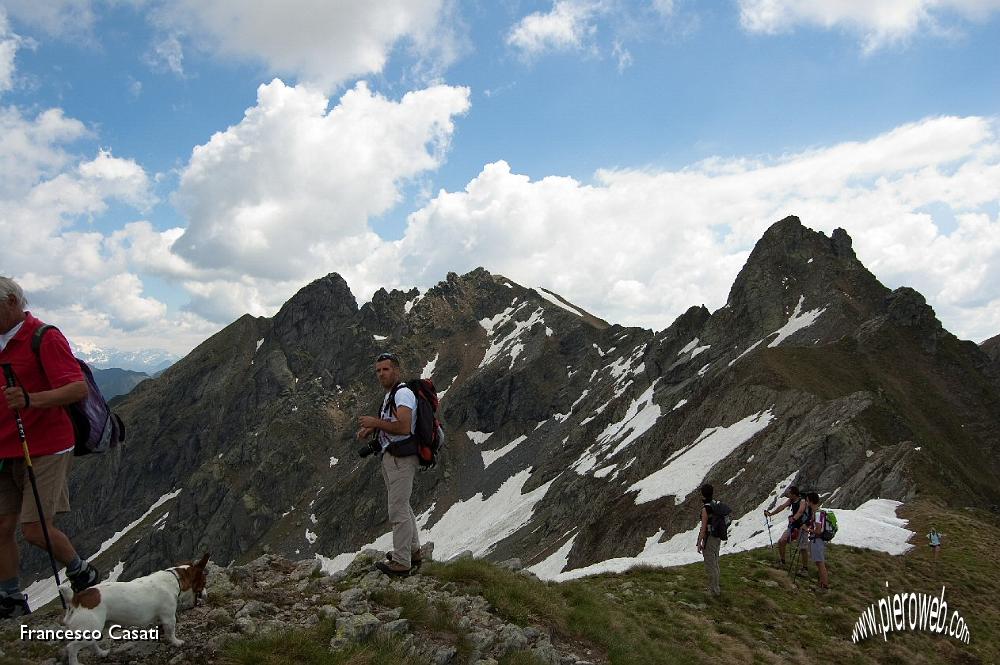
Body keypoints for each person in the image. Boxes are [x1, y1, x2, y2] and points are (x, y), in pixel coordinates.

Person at [0, 277, 100, 619]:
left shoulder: (44, 337)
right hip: (4, 449)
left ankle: (80, 570)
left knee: (33, 529)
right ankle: (10, 598)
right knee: (1, 526)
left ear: (12, 301)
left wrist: (30, 400)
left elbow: (76, 389)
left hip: (46, 447)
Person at [357, 352, 422, 576]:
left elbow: (404, 427)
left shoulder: (402, 394)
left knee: (397, 508)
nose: (381, 374)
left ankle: (401, 562)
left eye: (386, 369)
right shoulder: (391, 395)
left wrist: (375, 422)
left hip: (401, 458)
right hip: (392, 456)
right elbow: (393, 422)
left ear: (396, 370)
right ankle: (413, 552)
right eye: (378, 370)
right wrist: (373, 429)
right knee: (403, 504)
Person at [764, 485, 810, 570]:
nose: (788, 494)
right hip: (793, 525)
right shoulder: (791, 500)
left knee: (803, 548)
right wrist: (771, 514)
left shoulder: (802, 501)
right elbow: (782, 507)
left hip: (802, 526)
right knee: (782, 541)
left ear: (794, 494)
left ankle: (805, 568)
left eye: (789, 493)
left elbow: (800, 511)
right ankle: (782, 561)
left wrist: (794, 518)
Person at [696, 483, 722, 598]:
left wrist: (699, 542)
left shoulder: (705, 509)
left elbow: (703, 527)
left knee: (710, 564)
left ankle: (714, 591)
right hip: (717, 537)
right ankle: (715, 587)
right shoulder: (715, 504)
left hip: (710, 537)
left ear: (703, 494)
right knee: (715, 562)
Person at [805, 492, 829, 591]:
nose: (806, 502)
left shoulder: (818, 514)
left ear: (811, 501)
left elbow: (818, 530)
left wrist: (808, 530)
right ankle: (822, 583)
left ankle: (824, 586)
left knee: (820, 563)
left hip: (817, 540)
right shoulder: (818, 512)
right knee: (819, 562)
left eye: (807, 500)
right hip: (818, 540)